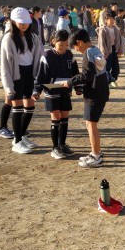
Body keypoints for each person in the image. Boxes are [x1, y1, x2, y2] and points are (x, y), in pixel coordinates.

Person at [64, 28, 110, 168]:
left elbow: (87, 75)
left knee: (91, 125)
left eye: (75, 47)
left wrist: (70, 82)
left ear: (79, 42)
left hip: (94, 93)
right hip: (101, 90)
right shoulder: (96, 50)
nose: (76, 50)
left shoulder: (87, 53)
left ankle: (96, 156)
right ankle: (94, 153)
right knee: (90, 123)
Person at [0, 7, 44, 154]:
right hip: (15, 75)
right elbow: (5, 64)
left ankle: (21, 136)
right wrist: (8, 87)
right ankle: (17, 141)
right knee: (17, 108)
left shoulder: (33, 37)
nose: (24, 25)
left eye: (26, 22)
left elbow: (39, 57)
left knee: (30, 106)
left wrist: (40, 78)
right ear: (13, 21)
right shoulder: (8, 38)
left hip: (30, 74)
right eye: (21, 22)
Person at [32, 30, 80, 159]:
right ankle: (55, 148)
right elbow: (41, 76)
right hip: (51, 91)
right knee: (56, 117)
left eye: (66, 45)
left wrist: (78, 87)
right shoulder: (47, 56)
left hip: (65, 90)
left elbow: (75, 72)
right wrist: (37, 90)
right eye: (61, 45)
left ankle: (62, 144)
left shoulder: (69, 55)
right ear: (53, 41)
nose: (64, 48)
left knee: (64, 117)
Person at [98, 13, 121, 85]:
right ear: (106, 20)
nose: (112, 21)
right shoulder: (103, 30)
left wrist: (119, 50)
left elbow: (119, 41)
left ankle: (113, 79)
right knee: (107, 66)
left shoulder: (116, 29)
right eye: (110, 19)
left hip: (114, 49)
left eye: (113, 19)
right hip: (107, 50)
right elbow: (101, 43)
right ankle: (107, 81)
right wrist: (104, 53)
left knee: (115, 66)